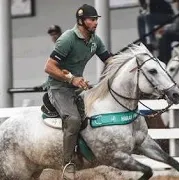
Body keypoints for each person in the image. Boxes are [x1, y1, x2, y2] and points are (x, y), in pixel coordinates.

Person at [44, 4, 112, 180]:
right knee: (73, 120)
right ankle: (67, 164)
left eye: (97, 19)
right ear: (82, 21)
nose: (96, 22)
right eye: (92, 19)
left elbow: (109, 60)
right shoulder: (67, 39)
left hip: (77, 89)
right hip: (58, 88)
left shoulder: (95, 41)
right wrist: (72, 79)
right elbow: (49, 67)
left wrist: (128, 66)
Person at [156, 0, 179, 64]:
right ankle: (162, 57)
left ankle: (165, 59)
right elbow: (175, 25)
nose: (176, 4)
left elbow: (176, 27)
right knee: (164, 35)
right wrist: (165, 28)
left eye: (177, 2)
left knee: (166, 36)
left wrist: (164, 29)